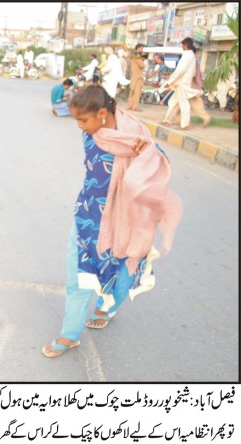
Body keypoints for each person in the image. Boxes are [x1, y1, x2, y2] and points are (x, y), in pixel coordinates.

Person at [42, 84, 182, 358]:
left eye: (83, 120)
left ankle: (108, 307)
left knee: (123, 269)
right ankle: (70, 335)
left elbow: (158, 162)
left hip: (127, 219)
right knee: (78, 276)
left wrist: (144, 153)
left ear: (103, 113)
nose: (79, 126)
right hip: (88, 215)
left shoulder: (135, 136)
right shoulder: (92, 135)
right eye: (77, 120)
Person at [162, 38, 203, 130]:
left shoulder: (187, 55)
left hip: (182, 83)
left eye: (182, 45)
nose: (182, 47)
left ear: (185, 45)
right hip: (184, 83)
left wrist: (170, 82)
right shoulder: (192, 56)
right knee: (173, 102)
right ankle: (166, 120)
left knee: (184, 104)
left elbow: (180, 71)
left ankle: (185, 124)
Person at [126, 44, 145, 111]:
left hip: (134, 76)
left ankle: (129, 105)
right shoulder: (136, 56)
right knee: (137, 93)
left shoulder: (133, 56)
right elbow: (142, 65)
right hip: (138, 77)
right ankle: (135, 107)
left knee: (132, 92)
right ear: (138, 48)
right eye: (142, 48)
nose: (142, 49)